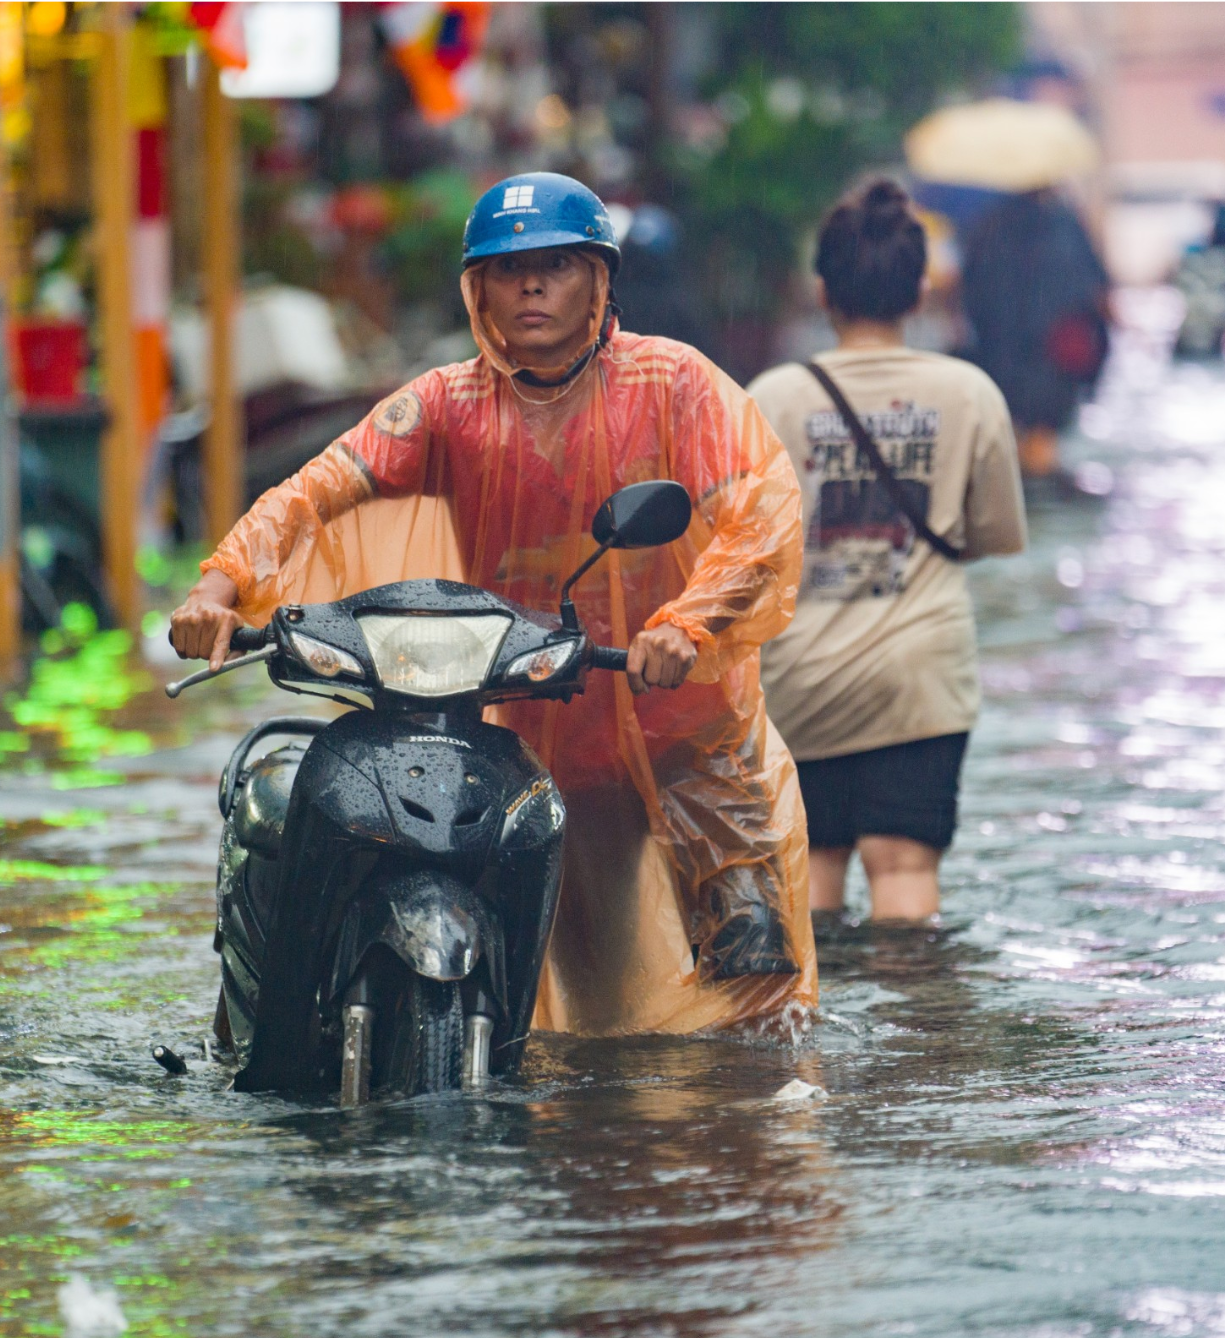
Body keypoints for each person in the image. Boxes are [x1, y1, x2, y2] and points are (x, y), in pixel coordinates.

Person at [170, 172, 815, 1036]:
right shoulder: (446, 405)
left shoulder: (676, 385)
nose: (532, 287)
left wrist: (686, 625)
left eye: (555, 265)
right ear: (479, 290)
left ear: (600, 280)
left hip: (690, 734)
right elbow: (313, 492)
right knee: (591, 1025)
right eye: (508, 272)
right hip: (546, 740)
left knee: (759, 1003)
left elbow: (761, 517)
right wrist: (217, 588)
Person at [749, 179, 1026, 922]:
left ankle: (822, 1040)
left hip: (801, 676)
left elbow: (738, 546)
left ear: (821, 290)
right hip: (922, 679)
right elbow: (995, 533)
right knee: (904, 871)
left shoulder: (769, 399)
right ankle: (919, 1033)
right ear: (921, 289)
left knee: (811, 880)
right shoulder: (969, 393)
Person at [958, 186, 1109, 480]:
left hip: (1000, 355)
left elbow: (970, 294)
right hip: (1054, 357)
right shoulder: (1065, 224)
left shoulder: (989, 225)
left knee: (1009, 446)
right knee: (1042, 447)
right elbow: (1094, 290)